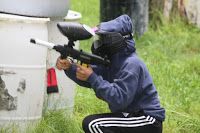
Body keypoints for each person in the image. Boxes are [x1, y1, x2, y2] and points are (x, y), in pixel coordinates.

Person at [56, 14, 165, 133]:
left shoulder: (131, 64)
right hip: (130, 116)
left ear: (115, 40)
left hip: (146, 120)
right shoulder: (113, 63)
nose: (100, 43)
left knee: (93, 124)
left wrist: (92, 77)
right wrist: (70, 67)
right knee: (94, 123)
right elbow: (90, 76)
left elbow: (119, 99)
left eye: (104, 39)